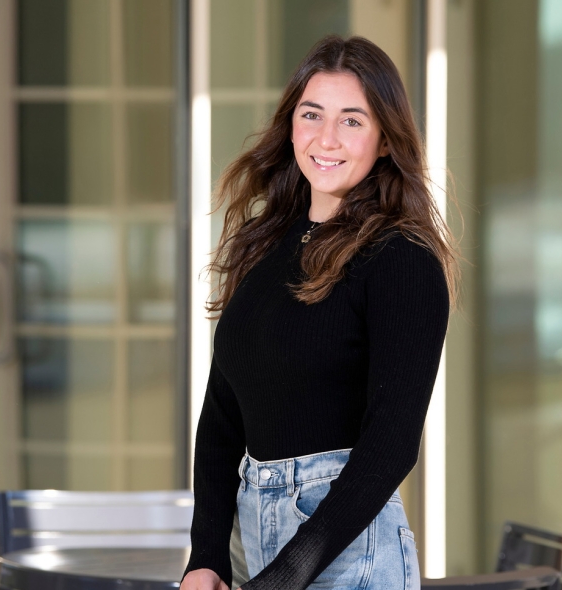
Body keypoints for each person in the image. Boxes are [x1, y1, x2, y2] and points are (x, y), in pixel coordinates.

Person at [180, 35, 457, 590]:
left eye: (352, 121)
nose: (326, 139)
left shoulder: (402, 261)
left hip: (348, 557)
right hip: (252, 537)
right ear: (291, 125)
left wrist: (287, 576)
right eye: (312, 115)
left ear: (384, 141)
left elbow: (392, 445)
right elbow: (222, 413)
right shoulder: (264, 245)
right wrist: (205, 555)